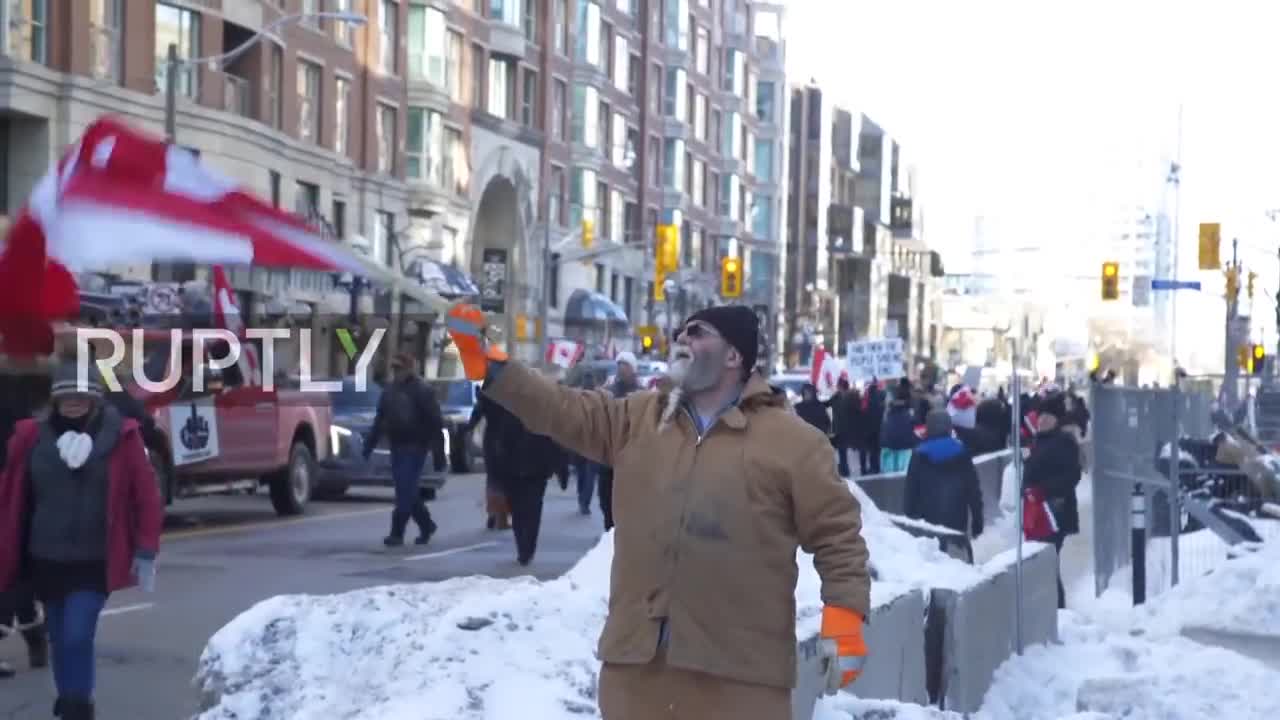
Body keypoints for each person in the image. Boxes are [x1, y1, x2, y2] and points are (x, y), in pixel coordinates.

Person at [444, 302, 871, 718]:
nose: (682, 338)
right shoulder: (639, 419)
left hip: (739, 682)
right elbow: (560, 408)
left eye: (698, 332)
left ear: (734, 356)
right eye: (682, 331)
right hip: (638, 674)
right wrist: (491, 364)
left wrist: (845, 619)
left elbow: (837, 536)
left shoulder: (794, 443)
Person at [0, 358, 163, 720]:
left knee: (77, 634)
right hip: (45, 557)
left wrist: (147, 549)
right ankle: (70, 702)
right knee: (60, 637)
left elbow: (146, 496)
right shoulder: (29, 437)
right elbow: (11, 491)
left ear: (95, 399)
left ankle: (78, 707)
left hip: (93, 560)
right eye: (65, 397)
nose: (73, 402)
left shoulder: (122, 436)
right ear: (55, 401)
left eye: (81, 396)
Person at [0, 367, 51, 680]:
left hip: (15, 483)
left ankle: (32, 635)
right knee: (13, 569)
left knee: (13, 565)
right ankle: (35, 636)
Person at [363, 353, 445, 548]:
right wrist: (369, 444)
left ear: (410, 368)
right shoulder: (389, 391)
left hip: (416, 447)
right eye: (395, 369)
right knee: (406, 490)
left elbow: (435, 423)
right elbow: (380, 420)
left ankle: (397, 533)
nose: (397, 372)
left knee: (404, 489)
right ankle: (426, 525)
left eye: (400, 368)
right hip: (397, 446)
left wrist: (439, 454)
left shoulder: (423, 391)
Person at [1022, 392, 1082, 608]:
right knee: (1044, 562)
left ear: (1057, 420)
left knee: (1048, 562)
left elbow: (1072, 476)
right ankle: (1050, 607)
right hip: (1038, 512)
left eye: (1048, 417)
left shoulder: (1063, 443)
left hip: (1054, 512)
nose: (1042, 421)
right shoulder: (1039, 442)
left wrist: (1043, 491)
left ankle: (1057, 608)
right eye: (1041, 417)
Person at [903, 411, 983, 560]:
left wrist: (910, 518)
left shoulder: (919, 454)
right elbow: (973, 489)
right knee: (960, 565)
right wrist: (978, 520)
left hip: (927, 521)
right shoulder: (962, 452)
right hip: (957, 519)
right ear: (948, 427)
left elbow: (911, 490)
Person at [595, 352, 642, 530]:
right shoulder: (609, 394)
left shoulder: (642, 395)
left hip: (632, 460)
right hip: (609, 459)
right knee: (607, 501)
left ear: (633, 369)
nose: (622, 370)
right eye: (620, 366)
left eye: (626, 366)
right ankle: (610, 528)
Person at [879, 381, 919, 473]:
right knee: (903, 474)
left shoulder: (888, 412)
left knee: (888, 474)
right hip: (904, 446)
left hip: (889, 445)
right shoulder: (909, 411)